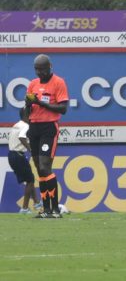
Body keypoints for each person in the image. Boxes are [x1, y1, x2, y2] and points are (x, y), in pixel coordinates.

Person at [25, 54, 69, 218]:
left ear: (50, 66)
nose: (39, 72)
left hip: (49, 127)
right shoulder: (32, 84)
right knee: (39, 169)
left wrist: (41, 103)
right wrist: (29, 104)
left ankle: (56, 209)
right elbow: (27, 110)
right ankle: (46, 210)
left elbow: (63, 108)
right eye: (37, 69)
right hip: (34, 126)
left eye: (42, 69)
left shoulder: (58, 82)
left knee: (45, 167)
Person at [7, 107, 41, 214]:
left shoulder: (16, 125)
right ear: (27, 115)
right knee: (30, 180)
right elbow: (22, 137)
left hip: (12, 155)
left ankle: (36, 202)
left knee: (29, 179)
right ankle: (25, 208)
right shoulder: (26, 126)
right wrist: (31, 149)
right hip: (18, 155)